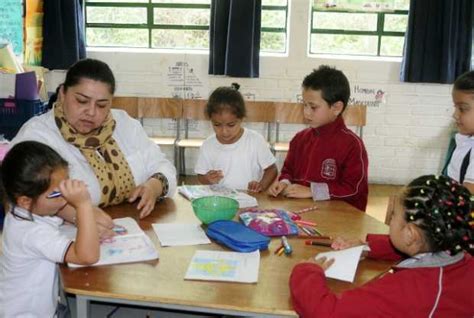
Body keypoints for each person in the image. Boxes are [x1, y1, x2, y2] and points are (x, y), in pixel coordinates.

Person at [12, 58, 177, 224]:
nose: (91, 112)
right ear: (62, 93)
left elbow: (163, 165)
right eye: (82, 101)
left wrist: (154, 187)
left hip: (132, 225)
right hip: (62, 237)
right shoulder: (38, 135)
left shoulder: (124, 124)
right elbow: (23, 193)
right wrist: (79, 216)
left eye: (102, 105)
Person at [290, 175, 474, 317]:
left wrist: (307, 272)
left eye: (393, 215)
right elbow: (423, 249)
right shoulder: (459, 252)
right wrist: (369, 247)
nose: (390, 220)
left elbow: (327, 313)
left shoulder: (408, 291)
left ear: (410, 234)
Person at [0, 141, 100, 317]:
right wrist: (83, 205)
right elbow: (87, 256)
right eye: (56, 194)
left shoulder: (21, 213)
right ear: (25, 200)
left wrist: (85, 224)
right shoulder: (31, 233)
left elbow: (56, 223)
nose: (65, 198)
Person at [267, 65, 368, 211]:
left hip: (339, 219)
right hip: (301, 213)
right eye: (304, 105)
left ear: (336, 108)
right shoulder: (299, 139)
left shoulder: (352, 145)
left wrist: (313, 191)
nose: (306, 113)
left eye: (313, 107)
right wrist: (284, 182)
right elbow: (288, 170)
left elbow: (353, 188)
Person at [195, 85, 278, 192]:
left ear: (241, 118)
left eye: (231, 125)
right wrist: (208, 179)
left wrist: (261, 185)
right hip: (220, 201)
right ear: (210, 120)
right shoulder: (208, 145)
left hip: (249, 199)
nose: (224, 131)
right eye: (217, 125)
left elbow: (272, 169)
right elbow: (201, 176)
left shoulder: (255, 140)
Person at [444, 70, 474, 194]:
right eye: (455, 107)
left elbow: (466, 199)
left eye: (462, 109)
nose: (455, 115)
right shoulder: (466, 139)